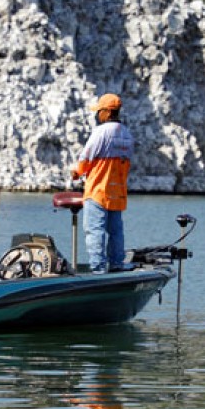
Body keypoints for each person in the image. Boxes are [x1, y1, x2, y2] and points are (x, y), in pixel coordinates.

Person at [71, 93, 134, 274]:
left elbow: (85, 160)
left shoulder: (100, 133)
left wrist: (76, 172)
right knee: (116, 232)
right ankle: (116, 265)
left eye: (99, 111)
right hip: (118, 193)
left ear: (107, 112)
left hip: (98, 191)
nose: (97, 115)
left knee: (95, 231)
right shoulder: (127, 135)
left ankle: (98, 269)